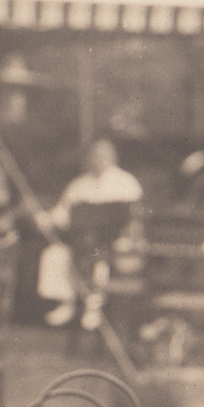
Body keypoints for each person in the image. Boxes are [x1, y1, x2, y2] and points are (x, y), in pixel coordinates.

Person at [43, 138, 144, 330]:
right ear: (89, 158)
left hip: (114, 246)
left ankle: (93, 307)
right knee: (55, 253)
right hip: (81, 245)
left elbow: (135, 219)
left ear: (113, 157)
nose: (99, 159)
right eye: (95, 155)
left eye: (104, 154)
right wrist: (47, 218)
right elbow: (62, 213)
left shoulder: (127, 183)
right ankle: (67, 302)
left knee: (100, 262)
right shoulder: (79, 185)